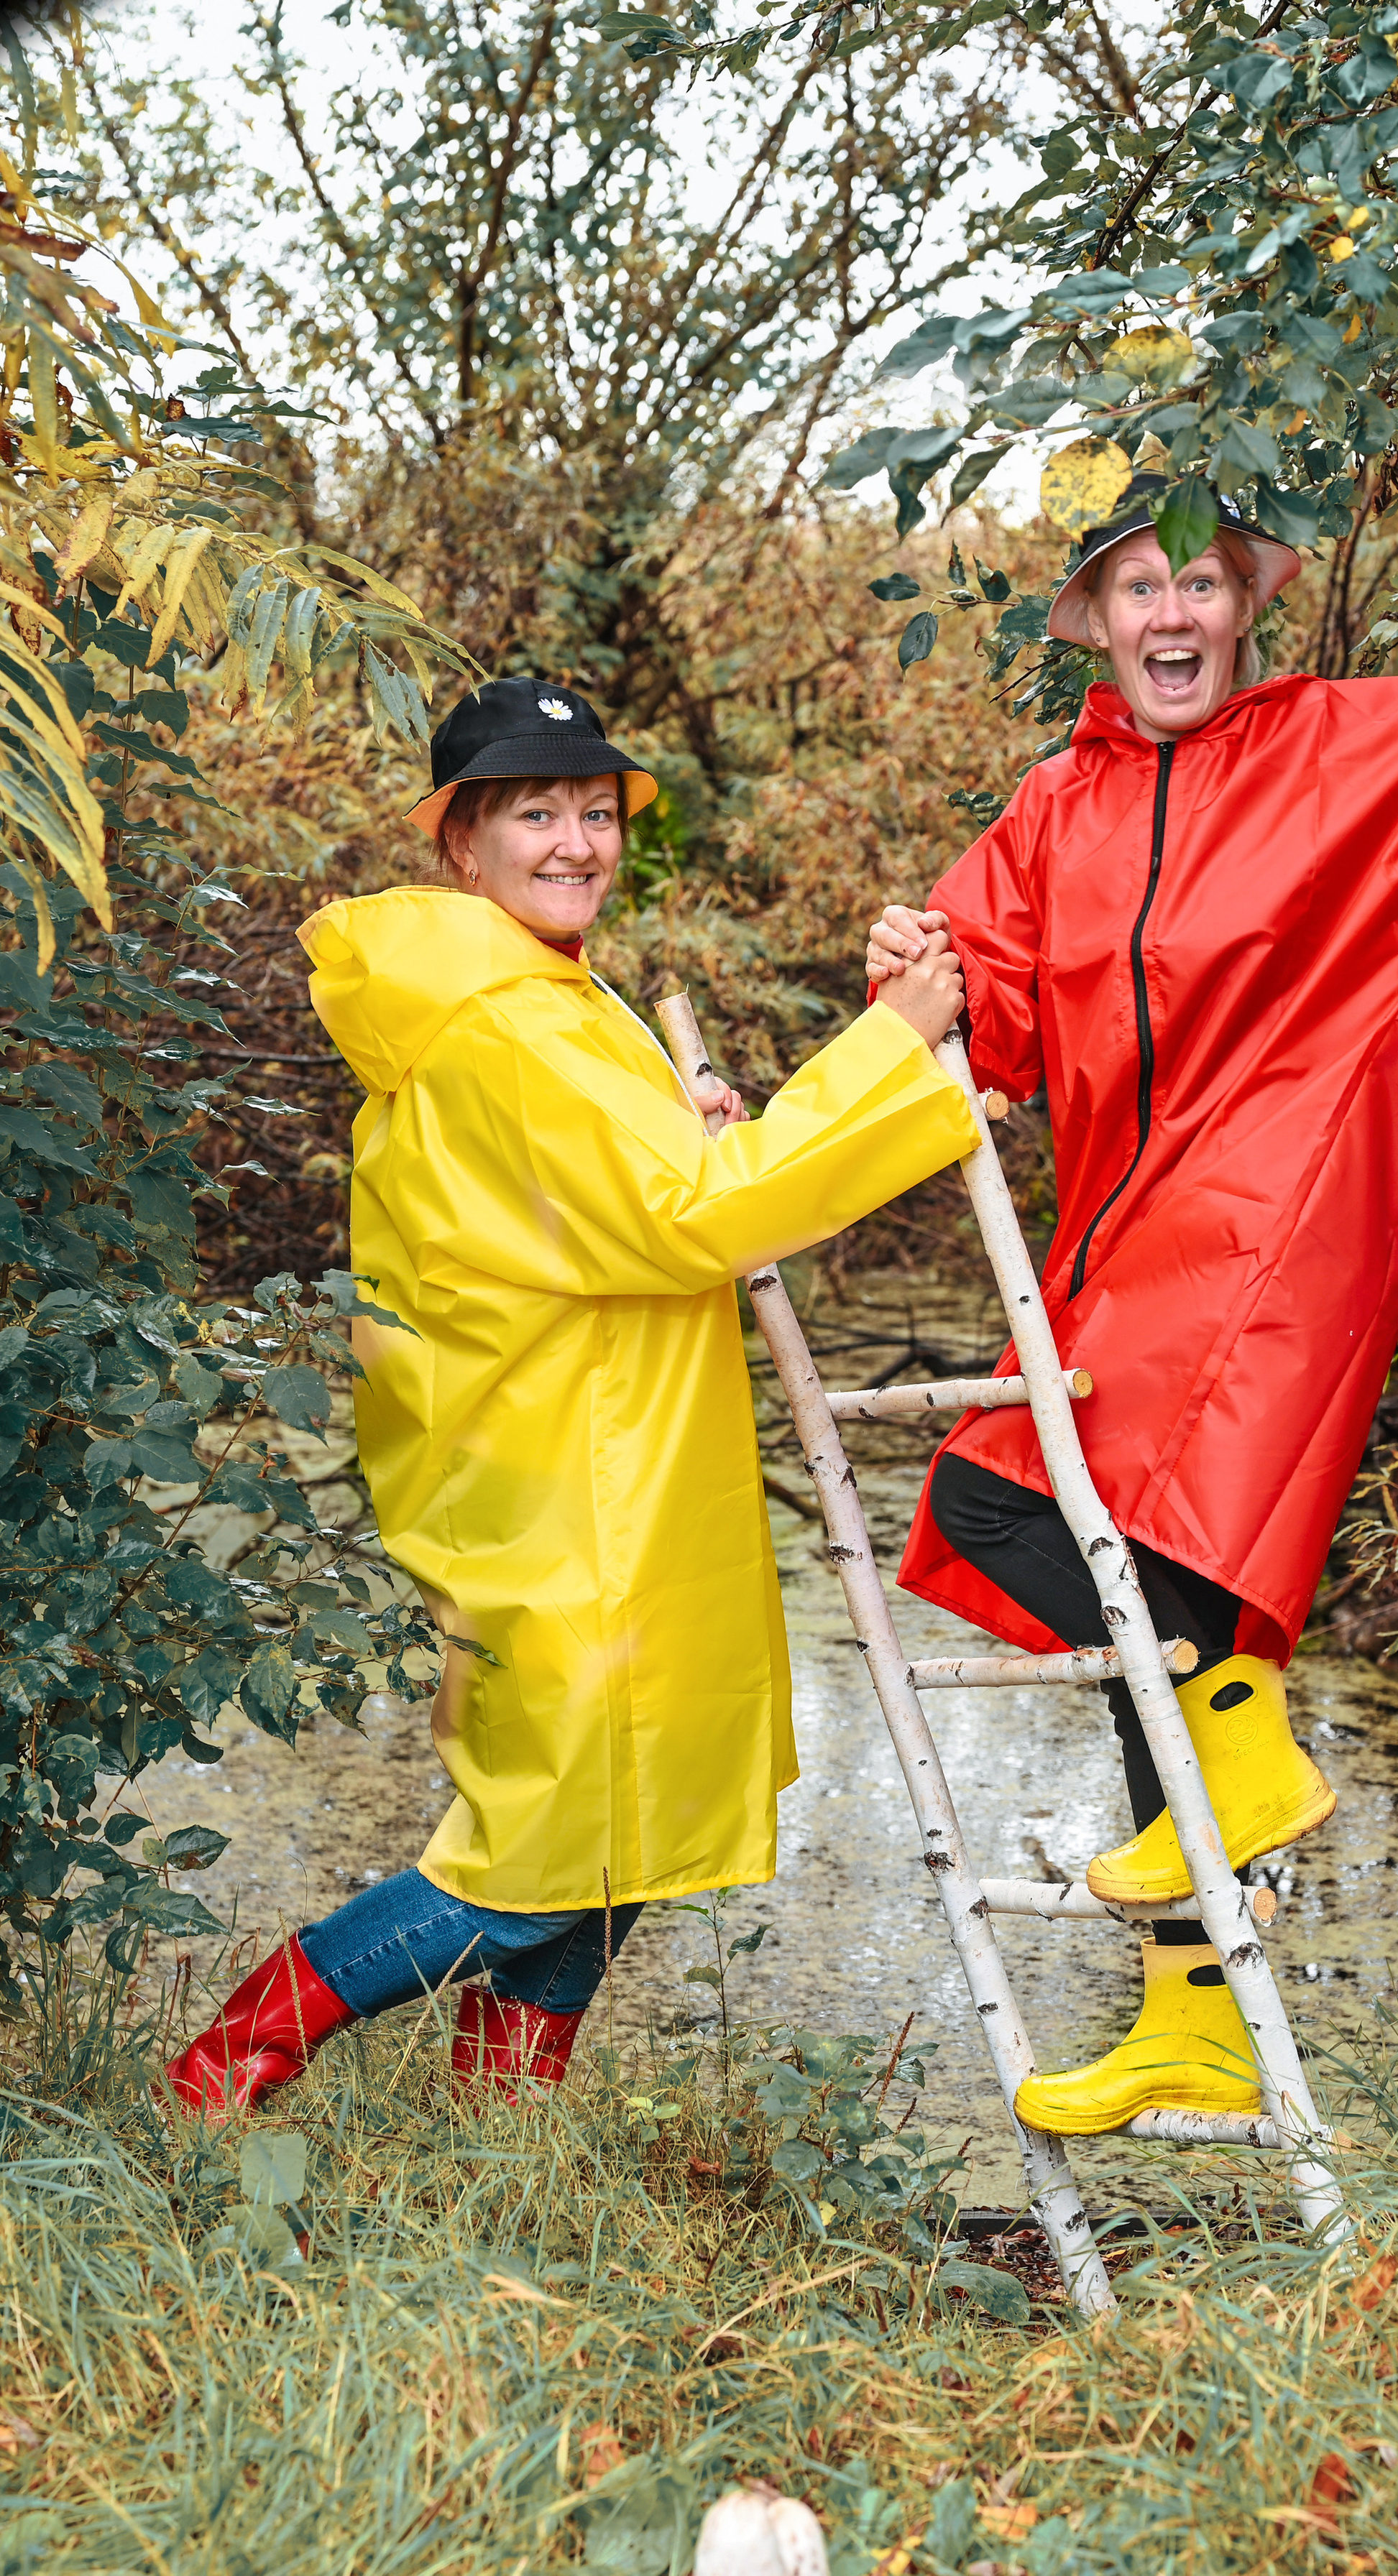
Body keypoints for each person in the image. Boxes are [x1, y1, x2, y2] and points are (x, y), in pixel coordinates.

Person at [868, 430, 1398, 2135]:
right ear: (1095, 619)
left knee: (1109, 1549)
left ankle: (1234, 1769)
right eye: (1136, 584)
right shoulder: (1052, 808)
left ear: (1246, 606)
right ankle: (1193, 1994)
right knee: (1072, 1560)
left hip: (1290, 1199)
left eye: (1199, 578)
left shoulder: (1353, 748)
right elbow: (998, 1033)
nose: (1169, 610)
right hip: (1120, 1228)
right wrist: (916, 969)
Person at [166, 675, 975, 2115]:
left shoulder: (538, 987)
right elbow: (690, 1216)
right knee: (535, 1856)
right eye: (534, 811)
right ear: (458, 841)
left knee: (621, 1828)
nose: (574, 841)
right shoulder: (507, 1017)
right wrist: (893, 1039)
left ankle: (505, 2126)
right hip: (573, 1481)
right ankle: (226, 2065)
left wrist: (681, 1126)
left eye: (593, 811)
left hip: (594, 1455)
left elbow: (606, 1187)